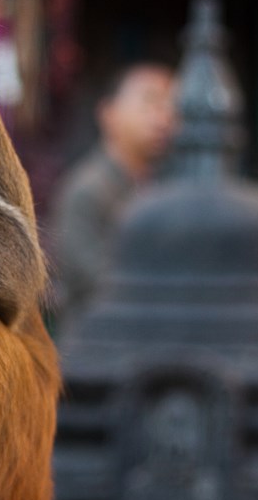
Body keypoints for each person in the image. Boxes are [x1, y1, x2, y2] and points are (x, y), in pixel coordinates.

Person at [51, 63, 178, 329]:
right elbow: (94, 281)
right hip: (98, 343)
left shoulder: (165, 189)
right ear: (108, 114)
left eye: (171, 106)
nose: (164, 117)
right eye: (150, 102)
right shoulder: (87, 191)